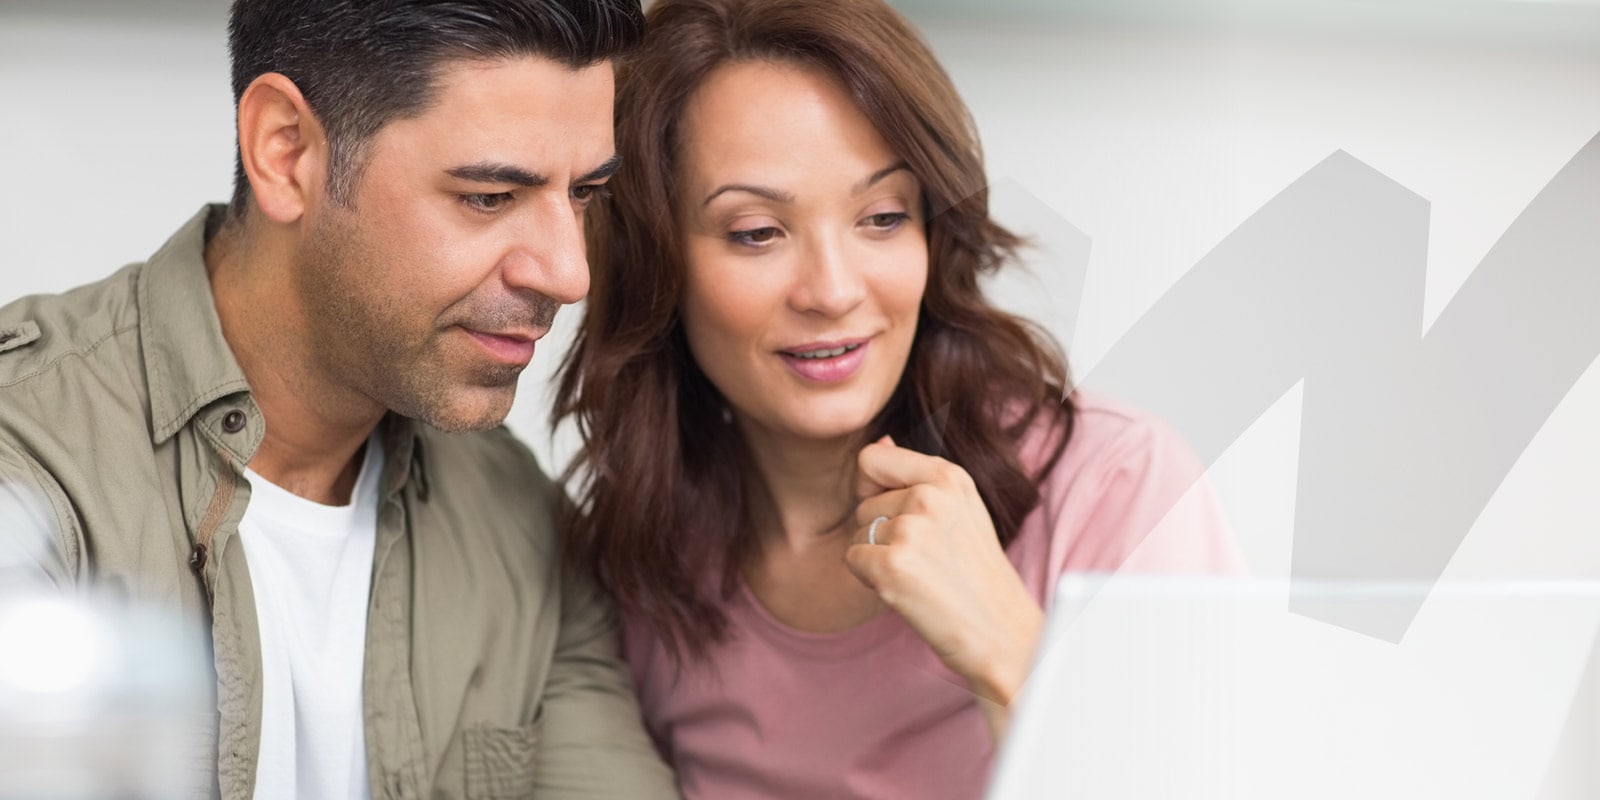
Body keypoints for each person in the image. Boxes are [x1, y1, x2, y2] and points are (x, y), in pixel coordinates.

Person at [552, 0, 1245, 796]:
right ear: (657, 263)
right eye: (756, 232)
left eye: (882, 217)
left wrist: (1011, 655)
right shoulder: (635, 559)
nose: (833, 291)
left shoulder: (1118, 488)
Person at [0, 1, 677, 797]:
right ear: (286, 151)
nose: (568, 275)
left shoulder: (516, 517)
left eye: (586, 194)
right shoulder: (27, 468)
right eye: (489, 197)